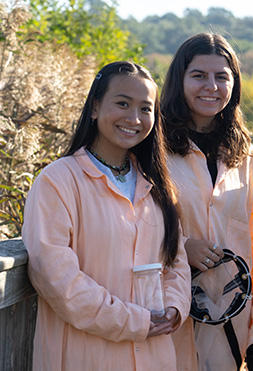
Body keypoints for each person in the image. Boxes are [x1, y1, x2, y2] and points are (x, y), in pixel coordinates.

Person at [22, 61, 191, 370]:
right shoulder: (57, 181)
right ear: (96, 107)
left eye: (145, 109)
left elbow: (176, 261)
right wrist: (133, 321)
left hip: (156, 356)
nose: (134, 118)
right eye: (123, 103)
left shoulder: (158, 187)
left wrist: (175, 307)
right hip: (84, 357)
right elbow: (56, 279)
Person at [161, 32, 253, 371]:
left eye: (221, 77)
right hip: (164, 317)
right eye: (199, 75)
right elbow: (127, 224)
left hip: (231, 320)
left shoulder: (248, 158)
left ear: (234, 84)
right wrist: (180, 248)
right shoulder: (151, 148)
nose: (211, 86)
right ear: (179, 80)